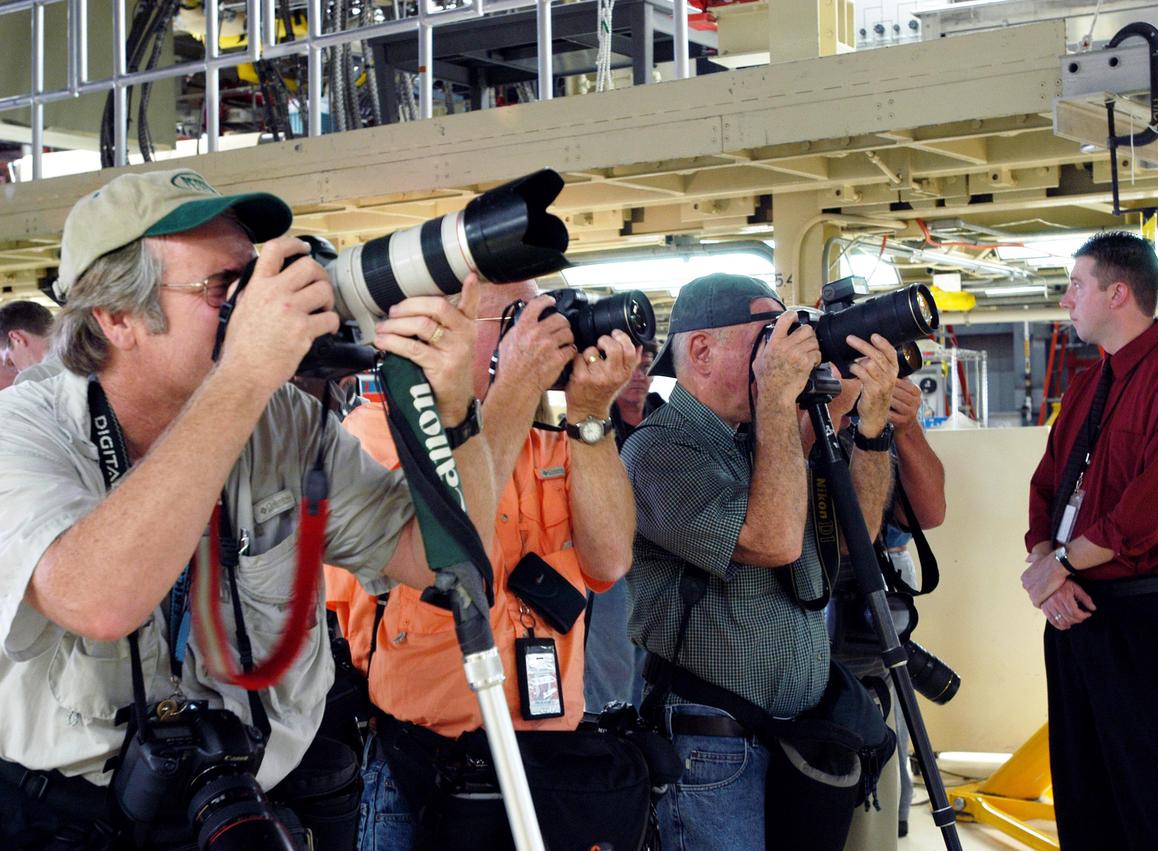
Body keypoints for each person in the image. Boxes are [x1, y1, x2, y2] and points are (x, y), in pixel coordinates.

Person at [0, 168, 497, 849]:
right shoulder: (22, 429)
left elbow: (439, 558)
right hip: (71, 817)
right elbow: (96, 598)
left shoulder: (283, 419)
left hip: (254, 799)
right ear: (118, 317)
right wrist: (244, 371)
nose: (257, 304)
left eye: (253, 276)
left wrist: (456, 414)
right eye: (222, 289)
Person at [326, 278, 639, 851]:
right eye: (523, 320)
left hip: (547, 765)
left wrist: (591, 414)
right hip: (420, 766)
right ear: (451, 330)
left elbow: (611, 560)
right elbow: (450, 539)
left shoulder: (554, 437)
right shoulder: (377, 428)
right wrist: (516, 387)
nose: (547, 337)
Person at [623, 272, 899, 849]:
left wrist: (868, 428)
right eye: (768, 336)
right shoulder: (656, 448)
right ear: (701, 349)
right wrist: (777, 398)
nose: (785, 350)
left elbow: (858, 537)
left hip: (799, 734)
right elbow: (772, 541)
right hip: (710, 749)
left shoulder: (764, 444)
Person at [1021, 231, 1158, 850]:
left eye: (1076, 285)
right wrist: (1049, 569)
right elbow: (1047, 489)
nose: (1066, 301)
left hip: (1148, 617)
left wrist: (1055, 566)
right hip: (1075, 615)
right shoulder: (1089, 386)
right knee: (1085, 798)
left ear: (1118, 293)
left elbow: (1151, 513)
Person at [840, 375, 946, 849]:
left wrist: (903, 427)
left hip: (867, 601)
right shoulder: (788, 411)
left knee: (881, 735)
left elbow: (930, 512)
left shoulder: (874, 418)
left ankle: (888, 823)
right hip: (796, 610)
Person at [584, 339, 662, 712]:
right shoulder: (593, 422)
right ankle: (610, 737)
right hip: (611, 569)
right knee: (612, 662)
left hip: (662, 560)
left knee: (652, 663)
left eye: (646, 366)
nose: (639, 376)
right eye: (632, 366)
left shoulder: (666, 420)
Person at [0, 299, 59, 383]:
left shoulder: (32, 379)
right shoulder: (80, 356)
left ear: (17, 339)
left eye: (10, 362)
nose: (17, 371)